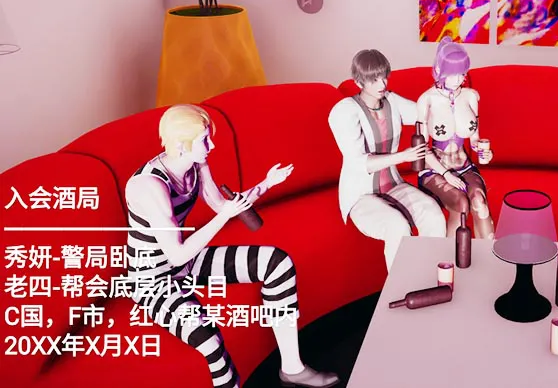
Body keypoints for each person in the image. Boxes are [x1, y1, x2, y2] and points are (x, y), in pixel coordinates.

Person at [124, 104, 339, 388]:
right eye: (204, 140)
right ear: (181, 144)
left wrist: (267, 184)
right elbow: (176, 254)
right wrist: (223, 217)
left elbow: (222, 205)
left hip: (187, 262)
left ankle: (292, 369)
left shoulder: (196, 164)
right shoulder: (149, 186)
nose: (212, 145)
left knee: (277, 263)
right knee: (208, 339)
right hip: (153, 279)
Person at [328, 49, 447, 271]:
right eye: (374, 80)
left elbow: (423, 115)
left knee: (433, 214)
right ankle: (400, 287)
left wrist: (443, 97)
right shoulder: (344, 111)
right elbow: (359, 163)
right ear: (358, 82)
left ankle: (432, 277)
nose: (382, 84)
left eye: (384, 77)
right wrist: (404, 156)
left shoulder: (391, 101)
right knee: (397, 225)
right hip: (361, 195)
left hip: (393, 186)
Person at [415, 37, 494, 238]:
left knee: (479, 201)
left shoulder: (471, 96)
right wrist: (446, 174)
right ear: (439, 71)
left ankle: (490, 253)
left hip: (464, 165)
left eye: (462, 74)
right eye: (453, 74)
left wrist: (483, 150)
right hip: (434, 169)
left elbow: (474, 139)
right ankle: (449, 256)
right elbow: (421, 149)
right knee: (461, 203)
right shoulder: (427, 99)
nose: (459, 79)